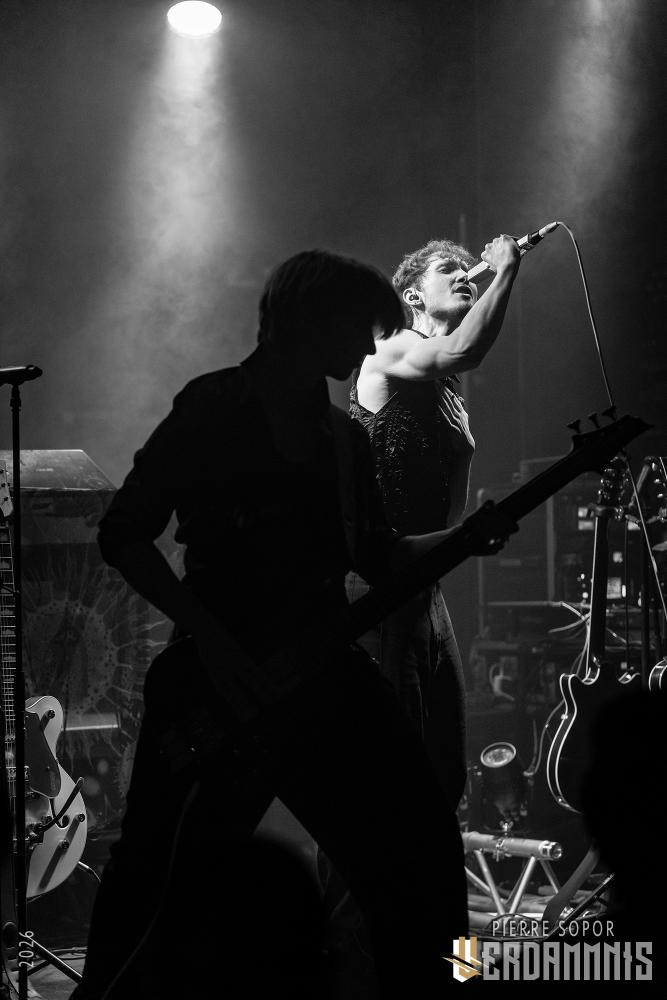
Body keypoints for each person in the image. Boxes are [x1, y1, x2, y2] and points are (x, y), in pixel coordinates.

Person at [69, 249, 514, 1000]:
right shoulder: (213, 406)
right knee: (153, 871)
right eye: (359, 325)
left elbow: (379, 557)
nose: (369, 344)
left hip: (321, 676)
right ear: (309, 319)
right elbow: (125, 532)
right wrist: (209, 637)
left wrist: (463, 537)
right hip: (214, 680)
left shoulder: (344, 438)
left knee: (421, 842)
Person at [349, 235, 521, 810]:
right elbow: (465, 351)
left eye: (467, 268)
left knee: (444, 770)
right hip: (376, 581)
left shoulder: (443, 386)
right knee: (383, 772)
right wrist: (505, 270)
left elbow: (448, 514)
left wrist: (463, 466)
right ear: (413, 296)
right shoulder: (391, 347)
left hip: (424, 581)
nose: (464, 274)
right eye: (448, 268)